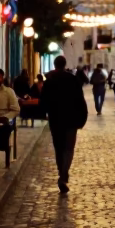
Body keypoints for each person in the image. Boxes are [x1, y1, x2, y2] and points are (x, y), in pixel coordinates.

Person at [40, 55, 88, 194]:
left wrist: (44, 113)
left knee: (59, 148)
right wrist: (82, 118)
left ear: (55, 65)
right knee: (69, 148)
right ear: (64, 64)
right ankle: (63, 175)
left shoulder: (49, 81)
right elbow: (80, 100)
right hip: (71, 119)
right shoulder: (72, 79)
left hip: (56, 119)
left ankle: (62, 173)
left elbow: (43, 100)